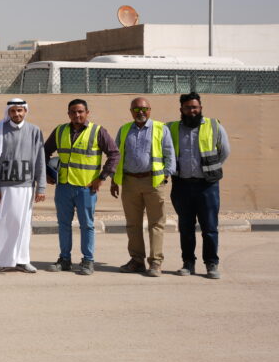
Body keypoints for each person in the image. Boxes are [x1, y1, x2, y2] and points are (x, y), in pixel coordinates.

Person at [42, 99, 119, 275]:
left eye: (80, 112)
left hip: (86, 188)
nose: (77, 115)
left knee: (87, 225)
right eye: (73, 112)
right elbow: (44, 151)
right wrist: (46, 172)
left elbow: (114, 154)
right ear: (68, 113)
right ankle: (65, 259)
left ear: (87, 113)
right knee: (63, 224)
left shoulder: (98, 131)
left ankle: (88, 261)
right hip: (64, 186)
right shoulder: (60, 130)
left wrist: (102, 178)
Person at [168, 92, 231, 279]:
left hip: (207, 186)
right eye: (187, 108)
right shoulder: (171, 128)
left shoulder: (214, 125)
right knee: (186, 227)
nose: (191, 111)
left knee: (210, 227)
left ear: (201, 108)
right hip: (181, 185)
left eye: (195, 107)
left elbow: (224, 151)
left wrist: (210, 169)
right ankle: (188, 263)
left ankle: (211, 264)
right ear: (181, 110)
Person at [110, 97, 175, 277]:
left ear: (150, 110)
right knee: (133, 224)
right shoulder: (124, 130)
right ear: (131, 111)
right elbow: (116, 155)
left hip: (153, 182)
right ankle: (137, 260)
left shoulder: (161, 129)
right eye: (136, 109)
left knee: (156, 223)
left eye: (144, 109)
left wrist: (166, 175)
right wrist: (114, 180)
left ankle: (155, 262)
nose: (140, 112)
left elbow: (170, 154)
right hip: (130, 183)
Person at [0, 98, 46, 274]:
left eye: (20, 110)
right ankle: (0, 260)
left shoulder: (34, 131)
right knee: (2, 224)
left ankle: (22, 260)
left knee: (23, 224)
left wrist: (41, 187)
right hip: (4, 187)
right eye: (13, 111)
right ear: (8, 113)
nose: (17, 114)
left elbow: (40, 159)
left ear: (25, 111)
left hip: (26, 186)